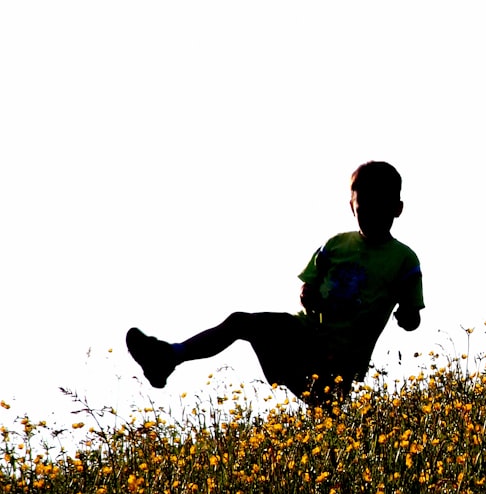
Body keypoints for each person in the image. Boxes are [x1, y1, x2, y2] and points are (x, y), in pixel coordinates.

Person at [126, 161, 424, 403]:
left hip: (340, 365)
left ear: (397, 209)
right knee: (241, 321)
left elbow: (412, 320)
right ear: (351, 207)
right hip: (303, 336)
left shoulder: (404, 261)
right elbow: (307, 289)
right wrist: (308, 297)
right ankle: (168, 357)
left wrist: (406, 317)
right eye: (363, 209)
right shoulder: (334, 246)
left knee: (330, 431)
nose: (370, 216)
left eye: (380, 208)